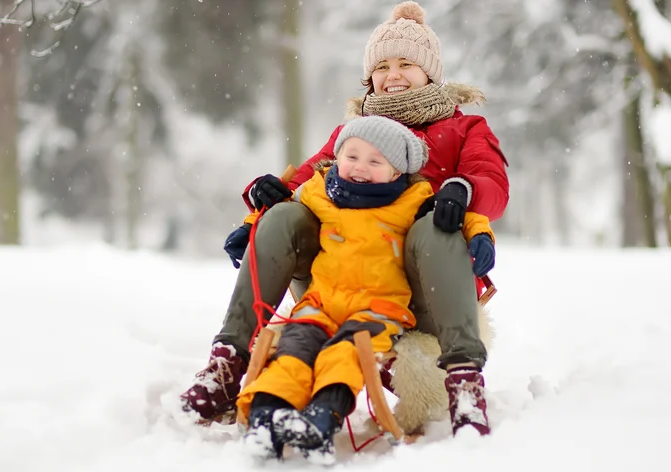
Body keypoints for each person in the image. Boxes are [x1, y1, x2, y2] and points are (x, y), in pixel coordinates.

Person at [179, 0, 509, 438]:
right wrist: (265, 204)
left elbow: (493, 184)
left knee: (434, 222)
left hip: (421, 287)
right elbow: (307, 177)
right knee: (285, 215)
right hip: (342, 277)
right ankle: (227, 362)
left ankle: (465, 380)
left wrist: (461, 190)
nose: (392, 75)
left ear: (431, 71)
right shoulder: (352, 133)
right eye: (383, 66)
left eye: (406, 64)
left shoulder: (465, 129)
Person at [235, 115, 496, 463]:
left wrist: (480, 234)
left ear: (396, 173)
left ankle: (322, 420)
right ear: (337, 158)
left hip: (377, 309)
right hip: (321, 303)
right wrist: (251, 223)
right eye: (352, 156)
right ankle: (266, 417)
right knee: (292, 353)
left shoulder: (414, 198)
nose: (360, 168)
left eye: (375, 162)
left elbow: (465, 216)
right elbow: (284, 203)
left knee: (343, 356)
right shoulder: (319, 190)